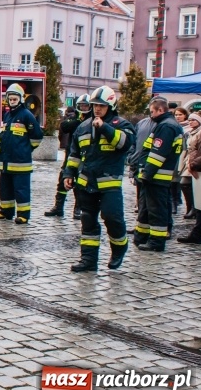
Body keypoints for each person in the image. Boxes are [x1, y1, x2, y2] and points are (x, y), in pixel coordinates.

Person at [64, 86, 135, 272]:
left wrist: (105, 128)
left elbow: (124, 144)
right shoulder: (83, 127)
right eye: (95, 105)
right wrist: (69, 174)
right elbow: (74, 154)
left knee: (112, 218)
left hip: (109, 183)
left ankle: (119, 248)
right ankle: (88, 260)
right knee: (88, 221)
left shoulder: (122, 124)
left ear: (110, 105)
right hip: (86, 183)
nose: (97, 109)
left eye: (101, 106)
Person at [133, 97, 184, 252]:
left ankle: (156, 242)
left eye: (152, 112)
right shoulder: (166, 125)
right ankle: (142, 236)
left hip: (156, 176)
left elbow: (157, 155)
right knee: (147, 209)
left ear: (160, 110)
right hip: (155, 176)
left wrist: (146, 174)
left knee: (156, 210)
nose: (151, 115)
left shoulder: (166, 127)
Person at [0, 84, 43, 224]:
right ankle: (6, 211)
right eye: (10, 98)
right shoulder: (8, 115)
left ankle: (23, 214)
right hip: (6, 161)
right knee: (5, 188)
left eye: (15, 98)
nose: (12, 101)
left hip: (21, 163)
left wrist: (26, 149)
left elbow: (37, 136)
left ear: (20, 99)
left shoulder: (26, 115)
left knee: (21, 190)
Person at [46, 96, 90, 218]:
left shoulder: (92, 120)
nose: (83, 108)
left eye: (85, 106)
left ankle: (78, 208)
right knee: (62, 180)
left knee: (80, 184)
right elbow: (64, 126)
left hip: (84, 157)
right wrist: (76, 120)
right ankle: (58, 207)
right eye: (81, 105)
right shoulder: (75, 118)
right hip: (71, 154)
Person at [177, 114, 201, 244]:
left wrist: (194, 163)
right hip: (200, 172)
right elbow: (193, 149)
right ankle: (197, 234)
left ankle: (197, 234)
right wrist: (191, 163)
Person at [179, 113, 201, 221]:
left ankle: (195, 208)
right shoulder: (188, 132)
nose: (190, 121)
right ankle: (191, 208)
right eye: (189, 120)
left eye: (193, 120)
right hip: (189, 159)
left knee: (188, 183)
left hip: (197, 161)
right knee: (185, 183)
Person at [170, 106, 190, 214]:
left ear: (185, 115)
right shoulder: (173, 126)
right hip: (174, 156)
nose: (178, 117)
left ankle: (180, 202)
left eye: (180, 115)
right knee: (173, 181)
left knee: (181, 182)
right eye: (176, 115)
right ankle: (174, 203)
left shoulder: (188, 127)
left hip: (183, 157)